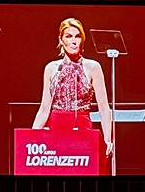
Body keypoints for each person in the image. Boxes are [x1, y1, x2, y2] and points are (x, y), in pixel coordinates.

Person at [32, 17, 113, 159]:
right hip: (56, 128)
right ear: (61, 39)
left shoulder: (93, 67)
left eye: (77, 36)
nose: (74, 41)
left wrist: (107, 139)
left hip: (82, 127)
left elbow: (104, 108)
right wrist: (30, 138)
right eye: (69, 36)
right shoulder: (51, 68)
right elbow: (44, 109)